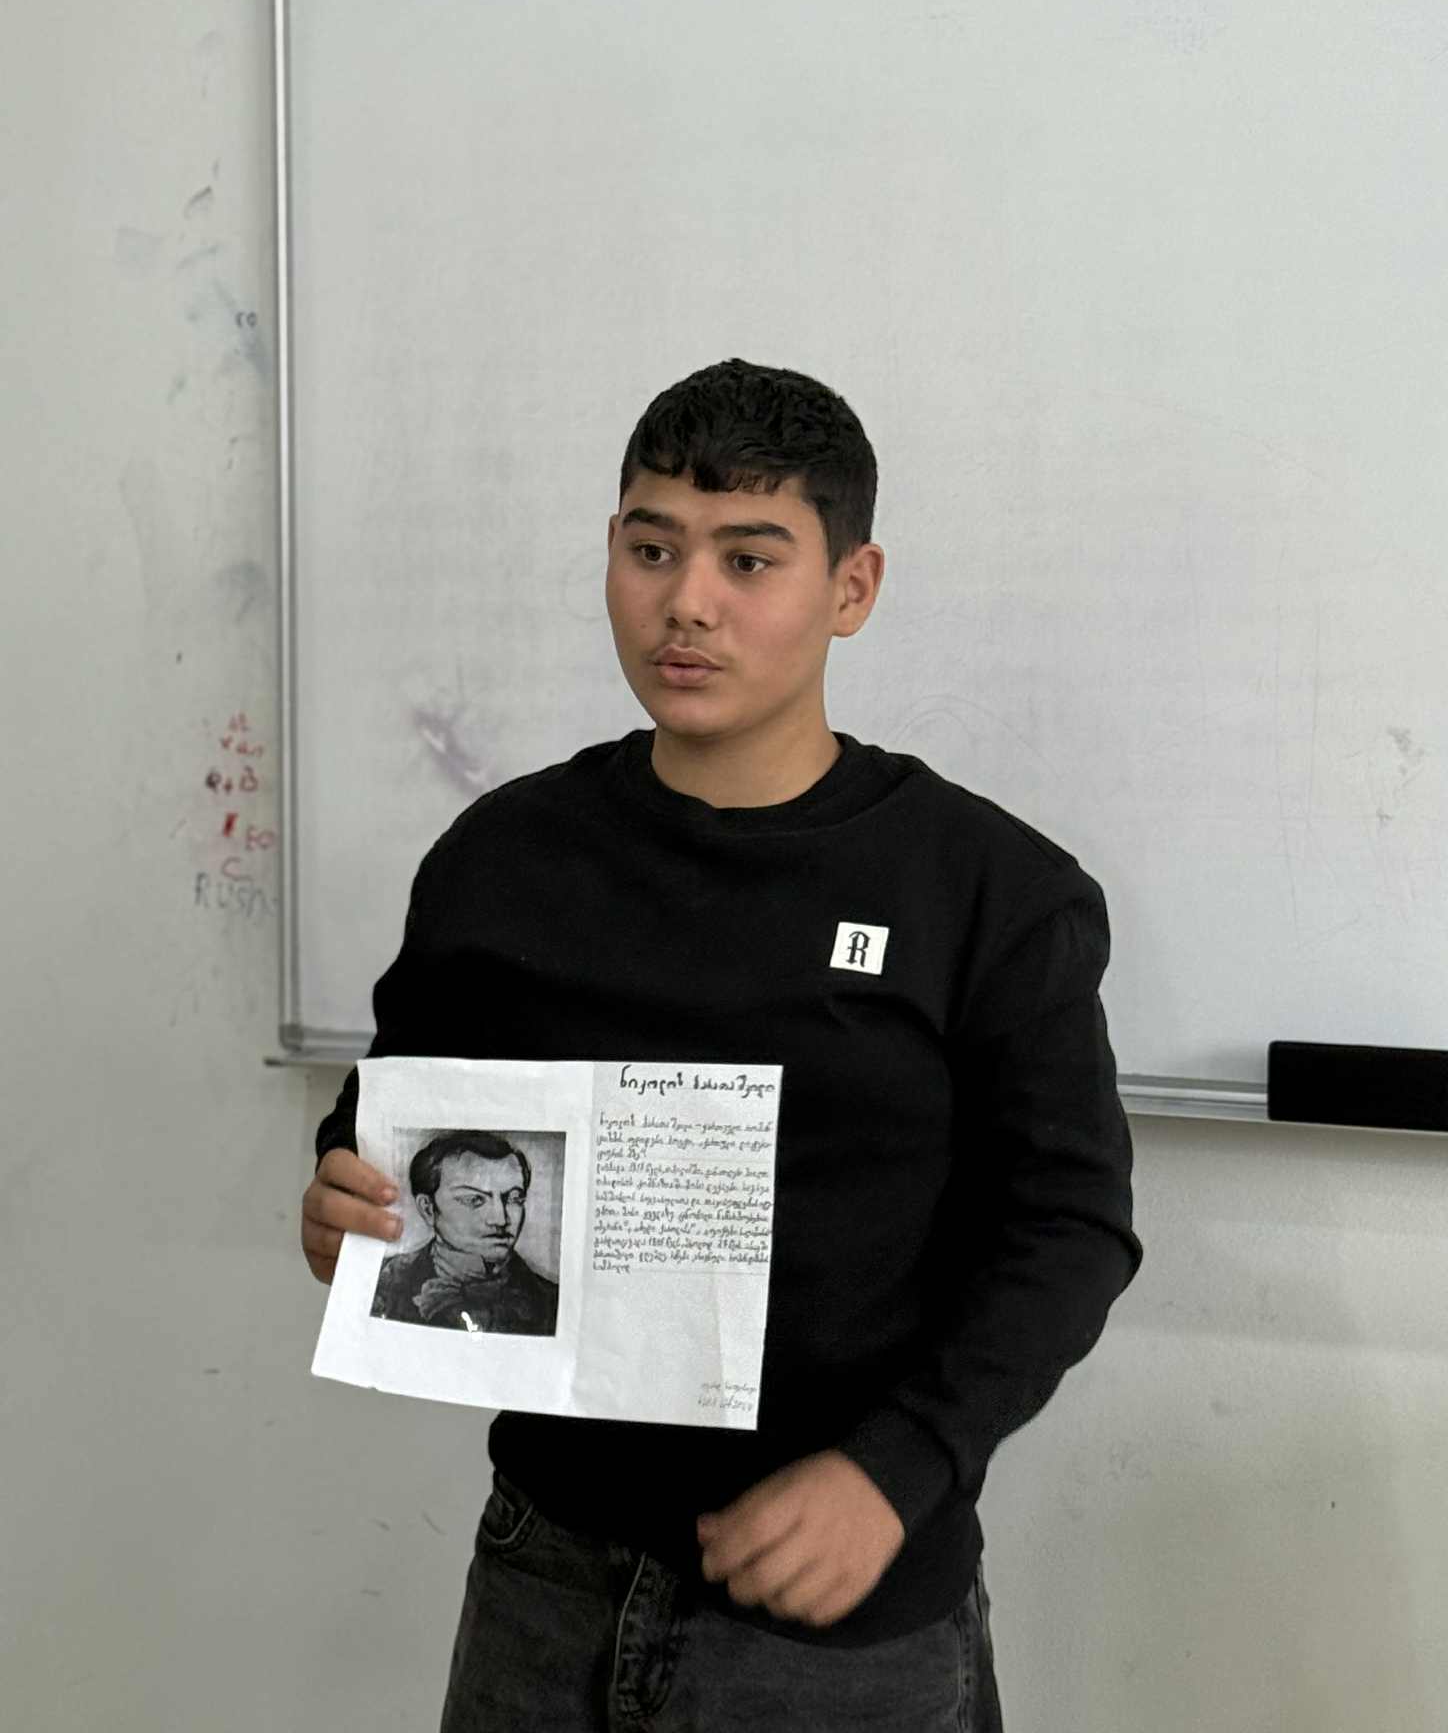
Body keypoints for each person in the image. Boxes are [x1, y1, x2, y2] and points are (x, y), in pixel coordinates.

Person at [300, 357, 1143, 1731]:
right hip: (543, 1574)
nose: (686, 602)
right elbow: (386, 1121)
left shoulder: (986, 889)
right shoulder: (505, 859)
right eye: (650, 549)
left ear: (851, 589)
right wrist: (344, 1198)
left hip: (835, 1620)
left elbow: (1069, 1228)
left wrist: (895, 1472)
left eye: (751, 558)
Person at [370, 1132, 559, 1336]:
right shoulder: (380, 1281)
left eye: (514, 1199)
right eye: (474, 1200)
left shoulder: (551, 1300)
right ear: (428, 1209)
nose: (500, 1219)